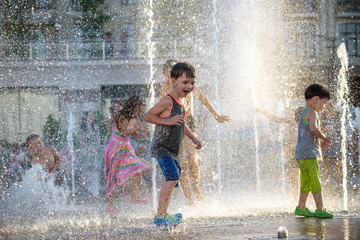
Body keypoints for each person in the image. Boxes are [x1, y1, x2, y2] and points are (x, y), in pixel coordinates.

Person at [160, 59, 230, 205]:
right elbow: (163, 105)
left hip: (189, 121)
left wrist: (216, 115)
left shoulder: (188, 84)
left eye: (172, 74)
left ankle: (197, 191)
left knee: (193, 159)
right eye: (167, 75)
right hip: (175, 124)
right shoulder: (164, 86)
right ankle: (189, 199)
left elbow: (203, 99)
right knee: (183, 164)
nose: (170, 77)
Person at [145, 62, 202, 226]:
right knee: (173, 177)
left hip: (172, 150)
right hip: (162, 147)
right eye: (185, 82)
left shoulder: (182, 102)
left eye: (192, 83)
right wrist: (168, 120)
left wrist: (194, 139)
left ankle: (164, 214)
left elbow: (183, 124)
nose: (189, 86)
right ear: (173, 81)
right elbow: (148, 116)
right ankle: (160, 216)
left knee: (174, 179)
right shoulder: (167, 101)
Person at [104, 95, 151, 212]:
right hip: (115, 147)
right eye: (139, 110)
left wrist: (143, 135)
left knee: (138, 168)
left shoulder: (135, 118)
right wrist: (139, 128)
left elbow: (132, 134)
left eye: (142, 111)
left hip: (126, 147)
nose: (140, 113)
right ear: (132, 106)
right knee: (113, 175)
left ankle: (135, 197)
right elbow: (123, 133)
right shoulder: (121, 116)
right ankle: (110, 205)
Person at [294, 83, 333, 218]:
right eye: (324, 103)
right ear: (316, 99)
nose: (323, 107)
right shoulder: (312, 112)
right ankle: (320, 210)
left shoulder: (304, 112)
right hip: (309, 154)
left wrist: (319, 143)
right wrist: (325, 137)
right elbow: (313, 129)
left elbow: (308, 134)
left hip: (300, 153)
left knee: (305, 181)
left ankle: (301, 207)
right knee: (316, 180)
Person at [255, 106, 303, 198]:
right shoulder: (292, 121)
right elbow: (276, 119)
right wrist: (264, 112)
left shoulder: (306, 123)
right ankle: (296, 198)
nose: (297, 116)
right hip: (295, 152)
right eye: (296, 115)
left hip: (304, 151)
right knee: (295, 177)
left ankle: (306, 198)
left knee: (303, 177)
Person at [78, 111, 101, 198]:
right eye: (89, 115)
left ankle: (94, 191)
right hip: (85, 150)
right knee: (85, 169)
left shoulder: (95, 127)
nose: (91, 117)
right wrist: (88, 147)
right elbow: (81, 140)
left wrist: (96, 148)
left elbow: (98, 139)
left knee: (94, 170)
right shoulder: (82, 128)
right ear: (85, 117)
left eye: (92, 115)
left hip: (94, 151)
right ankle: (85, 189)